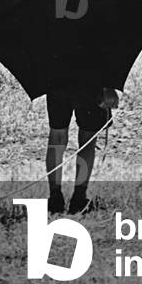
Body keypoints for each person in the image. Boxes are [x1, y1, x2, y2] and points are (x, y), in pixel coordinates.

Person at [45, 83, 118, 215]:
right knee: (87, 141)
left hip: (57, 80)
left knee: (57, 138)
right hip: (91, 83)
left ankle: (55, 198)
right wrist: (108, 87)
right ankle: (79, 198)